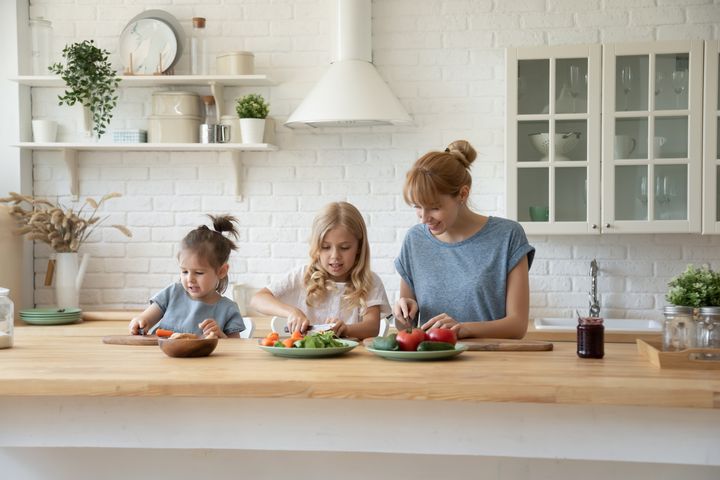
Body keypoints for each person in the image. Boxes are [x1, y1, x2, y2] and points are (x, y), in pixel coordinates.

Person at [393, 140, 535, 339]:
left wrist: (462, 328)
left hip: (491, 362)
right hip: (430, 363)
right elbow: (405, 330)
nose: (424, 218)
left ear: (462, 194)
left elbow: (517, 325)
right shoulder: (414, 240)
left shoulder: (507, 236)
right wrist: (404, 313)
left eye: (434, 207)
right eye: (417, 206)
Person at [250, 201, 390, 339]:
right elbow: (258, 299)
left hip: (350, 360)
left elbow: (372, 327)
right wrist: (292, 312)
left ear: (359, 248)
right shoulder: (303, 275)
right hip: (306, 360)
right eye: (326, 247)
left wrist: (346, 329)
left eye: (345, 247)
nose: (335, 256)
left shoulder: (370, 282)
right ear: (316, 247)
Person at [129, 214, 245, 338]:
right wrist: (139, 322)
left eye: (199, 273)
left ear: (221, 271)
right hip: (163, 356)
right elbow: (146, 319)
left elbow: (235, 346)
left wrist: (221, 336)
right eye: (184, 271)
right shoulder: (172, 293)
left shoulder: (228, 309)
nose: (190, 279)